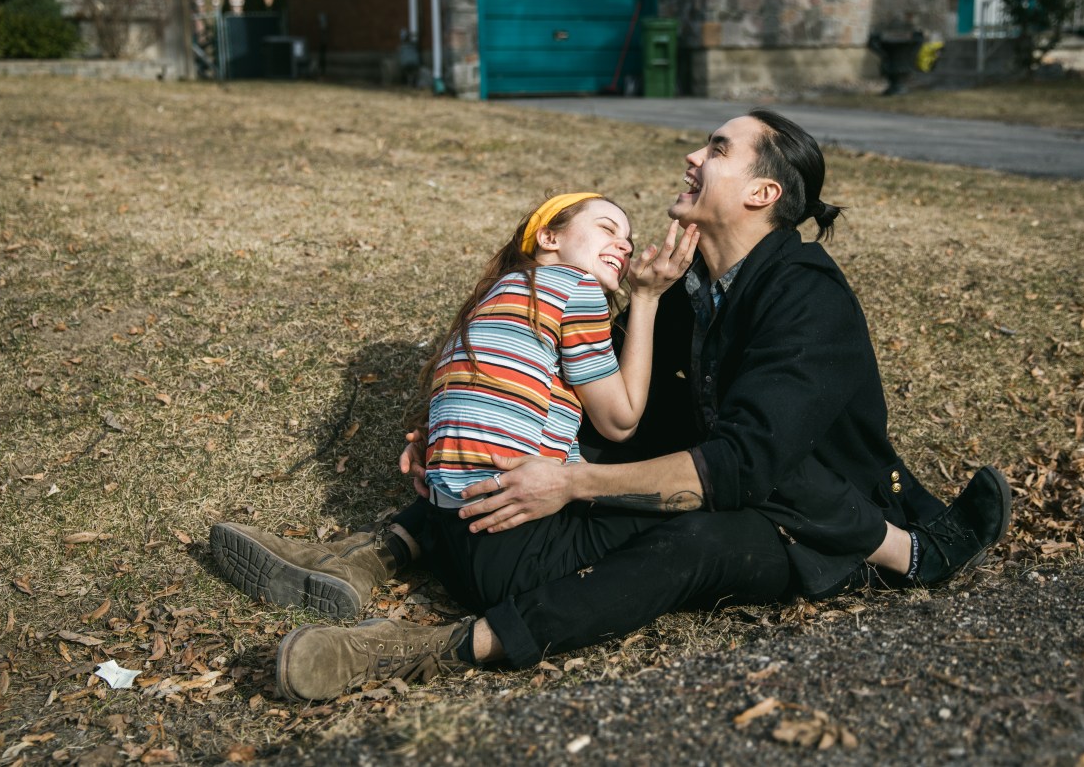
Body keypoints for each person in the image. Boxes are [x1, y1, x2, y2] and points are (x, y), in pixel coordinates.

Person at [209, 109, 1011, 702]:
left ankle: (428, 647)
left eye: (718, 149)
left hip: (804, 521)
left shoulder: (808, 300)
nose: (693, 155)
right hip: (726, 482)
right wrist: (459, 424)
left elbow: (744, 466)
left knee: (695, 536)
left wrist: (572, 484)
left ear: (764, 191)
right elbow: (590, 402)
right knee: (535, 459)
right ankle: (372, 552)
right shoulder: (694, 292)